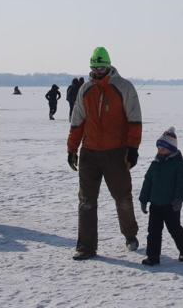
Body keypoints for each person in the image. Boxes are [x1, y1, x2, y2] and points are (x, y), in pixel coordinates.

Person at [67, 46, 144, 260]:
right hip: (89, 153)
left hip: (115, 153)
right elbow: (77, 121)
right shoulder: (85, 89)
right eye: (94, 67)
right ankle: (86, 247)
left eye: (101, 67)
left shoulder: (124, 87)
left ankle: (130, 234)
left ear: (109, 65)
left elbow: (134, 120)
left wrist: (133, 149)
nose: (98, 71)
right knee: (86, 201)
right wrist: (72, 148)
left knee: (122, 197)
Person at [138, 126, 183, 265]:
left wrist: (179, 199)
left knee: (174, 229)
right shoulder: (155, 163)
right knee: (153, 232)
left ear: (171, 149)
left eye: (163, 148)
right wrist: (144, 199)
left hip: (171, 205)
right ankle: (153, 257)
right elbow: (148, 181)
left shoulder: (178, 164)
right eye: (158, 148)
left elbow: (182, 182)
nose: (159, 151)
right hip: (155, 204)